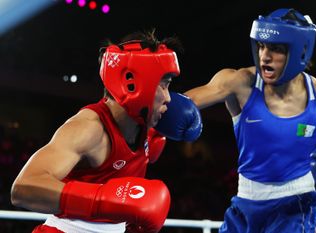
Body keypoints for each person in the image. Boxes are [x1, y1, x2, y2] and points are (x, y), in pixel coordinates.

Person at [184, 8, 316, 232]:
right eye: (261, 46)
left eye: (276, 49)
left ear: (300, 51)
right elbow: (184, 103)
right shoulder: (241, 83)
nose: (264, 56)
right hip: (245, 202)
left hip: (294, 206)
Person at [10, 30, 202, 233]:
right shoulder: (89, 128)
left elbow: (201, 97)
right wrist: (104, 199)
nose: (169, 98)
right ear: (135, 85)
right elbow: (23, 188)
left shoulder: (146, 122)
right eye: (162, 86)